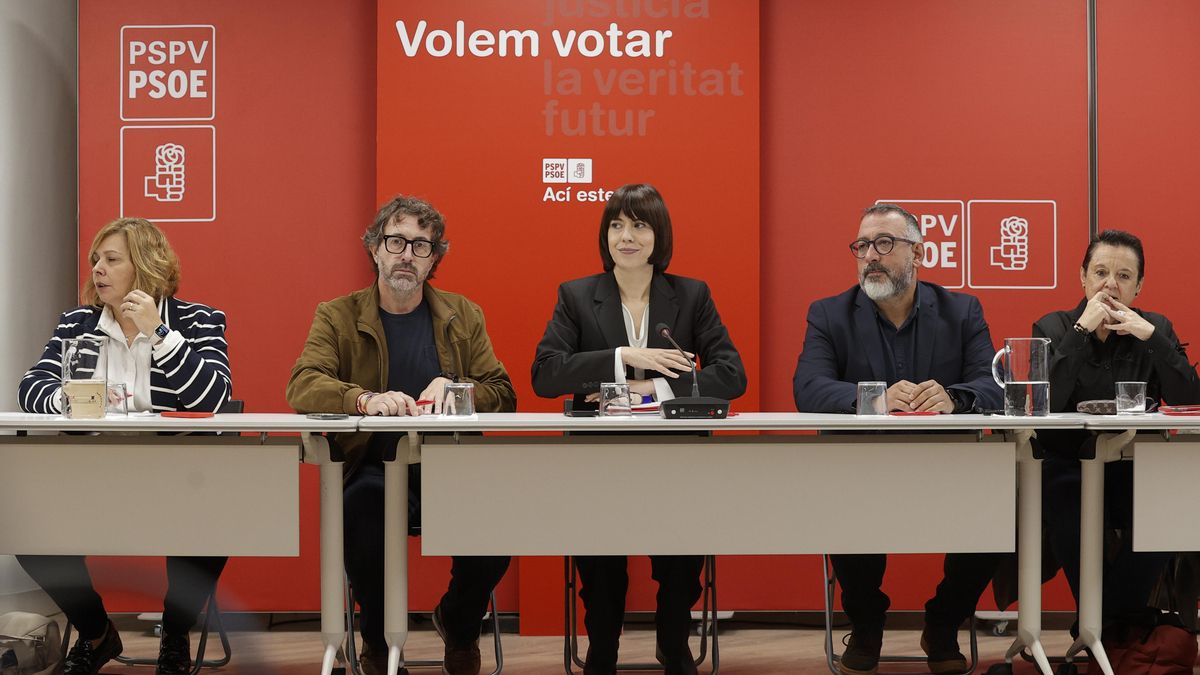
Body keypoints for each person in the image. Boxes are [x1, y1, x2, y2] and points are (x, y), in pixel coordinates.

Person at [286, 195, 516, 675]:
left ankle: (459, 621)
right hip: (370, 464)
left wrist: (455, 390)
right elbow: (304, 383)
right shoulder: (337, 315)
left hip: (449, 465)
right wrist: (363, 399)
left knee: (496, 526)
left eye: (421, 246)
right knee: (361, 516)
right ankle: (374, 639)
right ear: (375, 249)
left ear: (434, 259)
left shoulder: (462, 314)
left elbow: (502, 391)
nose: (407, 254)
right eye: (396, 241)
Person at [531, 183, 747, 675]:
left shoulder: (691, 296)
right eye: (616, 226)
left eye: (639, 225)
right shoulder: (578, 295)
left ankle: (674, 643)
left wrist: (651, 392)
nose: (626, 237)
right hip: (597, 462)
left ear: (659, 236)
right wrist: (621, 358)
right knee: (601, 566)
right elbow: (545, 374)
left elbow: (732, 375)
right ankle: (602, 649)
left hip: (677, 460)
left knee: (679, 561)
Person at [792, 203, 1003, 675]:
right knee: (844, 501)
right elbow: (807, 388)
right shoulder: (829, 314)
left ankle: (944, 622)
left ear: (918, 253)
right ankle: (866, 623)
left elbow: (994, 385)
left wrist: (954, 397)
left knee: (1002, 505)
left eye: (885, 244)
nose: (871, 255)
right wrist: (876, 398)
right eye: (862, 245)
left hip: (949, 470)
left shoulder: (961, 310)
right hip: (862, 470)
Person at [16, 217, 232, 675]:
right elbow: (31, 388)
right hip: (94, 477)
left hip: (180, 481)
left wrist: (159, 335)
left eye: (112, 260)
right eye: (96, 259)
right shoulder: (77, 324)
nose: (98, 268)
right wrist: (69, 400)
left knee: (215, 519)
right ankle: (96, 634)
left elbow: (212, 398)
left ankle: (174, 634)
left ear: (147, 268)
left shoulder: (197, 321)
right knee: (27, 531)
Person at [1034, 229, 1200, 642]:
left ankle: (1101, 624)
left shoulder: (1154, 328)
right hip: (1066, 464)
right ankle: (1114, 628)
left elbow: (1190, 399)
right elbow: (1042, 401)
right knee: (1067, 508)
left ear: (1138, 286)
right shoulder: (1053, 325)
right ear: (1082, 277)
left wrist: (1151, 338)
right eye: (1101, 272)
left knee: (1170, 512)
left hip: (1134, 467)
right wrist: (1080, 331)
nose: (1111, 284)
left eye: (1124, 276)